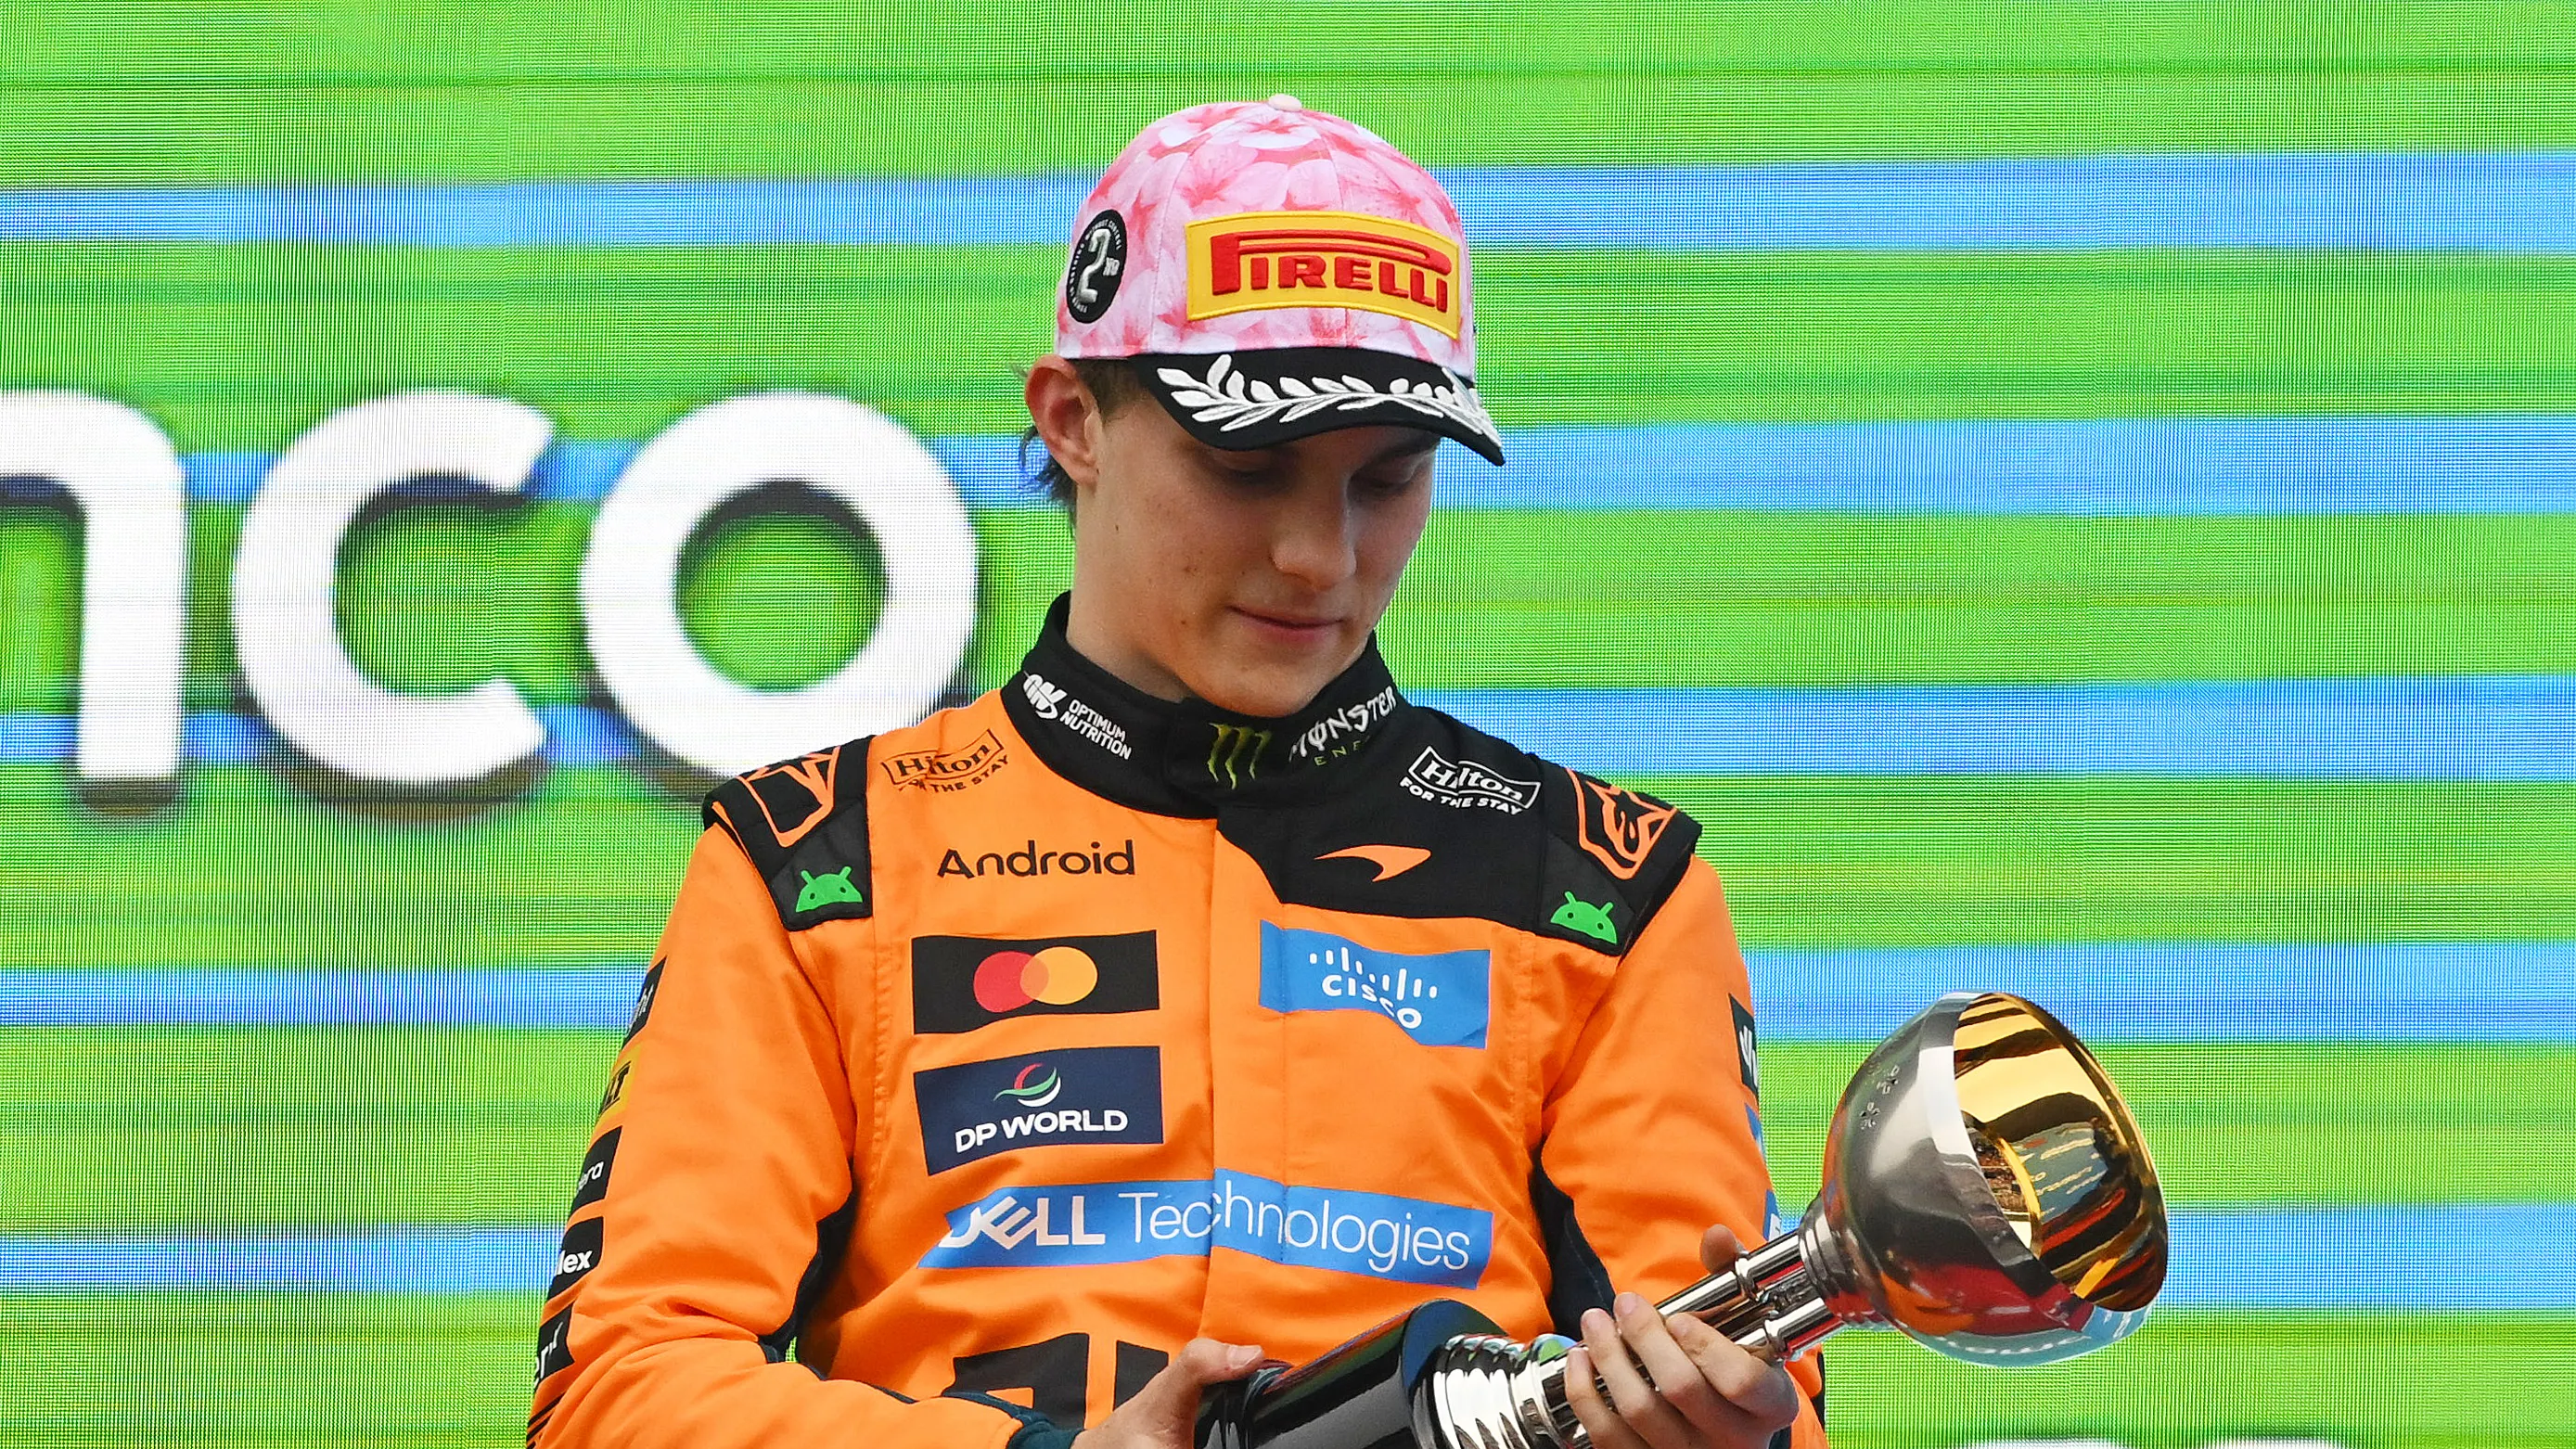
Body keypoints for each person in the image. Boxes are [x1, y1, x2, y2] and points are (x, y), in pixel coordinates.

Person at [529, 96, 1828, 1449]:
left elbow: (1752, 1395)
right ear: (1073, 420)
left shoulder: (1606, 887)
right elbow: (621, 1389)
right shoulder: (815, 860)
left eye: (1385, 481)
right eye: (1248, 469)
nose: (1321, 557)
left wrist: (1725, 1426)